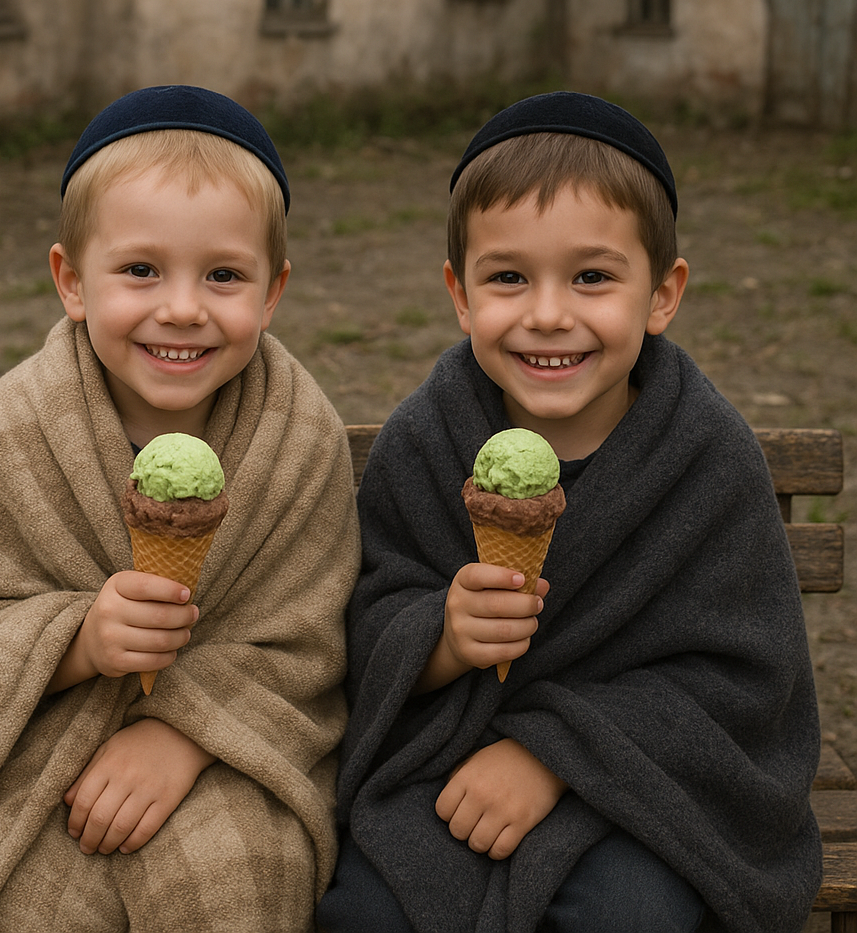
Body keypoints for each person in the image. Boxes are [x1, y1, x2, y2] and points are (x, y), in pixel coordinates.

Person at [0, 85, 361, 933]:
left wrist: (186, 733)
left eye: (225, 275)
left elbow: (308, 642)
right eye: (140, 270)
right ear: (71, 281)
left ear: (272, 293)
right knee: (32, 901)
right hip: (27, 756)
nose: (183, 308)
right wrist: (77, 641)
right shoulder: (18, 427)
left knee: (239, 876)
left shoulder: (299, 434)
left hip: (225, 758)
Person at [318, 92, 821, 933]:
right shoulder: (425, 441)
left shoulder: (704, 455)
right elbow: (360, 623)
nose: (549, 315)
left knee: (629, 913)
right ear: (459, 294)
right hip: (449, 768)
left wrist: (554, 754)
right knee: (374, 906)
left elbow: (742, 684)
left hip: (646, 797)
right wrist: (439, 638)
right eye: (509, 278)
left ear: (662, 295)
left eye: (592, 277)